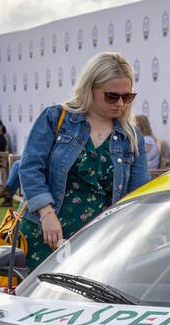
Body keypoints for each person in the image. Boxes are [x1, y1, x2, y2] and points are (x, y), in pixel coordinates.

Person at [17, 51, 150, 271]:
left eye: (127, 97)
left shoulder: (131, 136)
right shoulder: (56, 118)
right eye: (112, 96)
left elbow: (137, 193)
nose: (120, 103)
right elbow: (31, 168)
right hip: (44, 232)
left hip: (98, 242)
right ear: (90, 88)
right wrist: (46, 214)